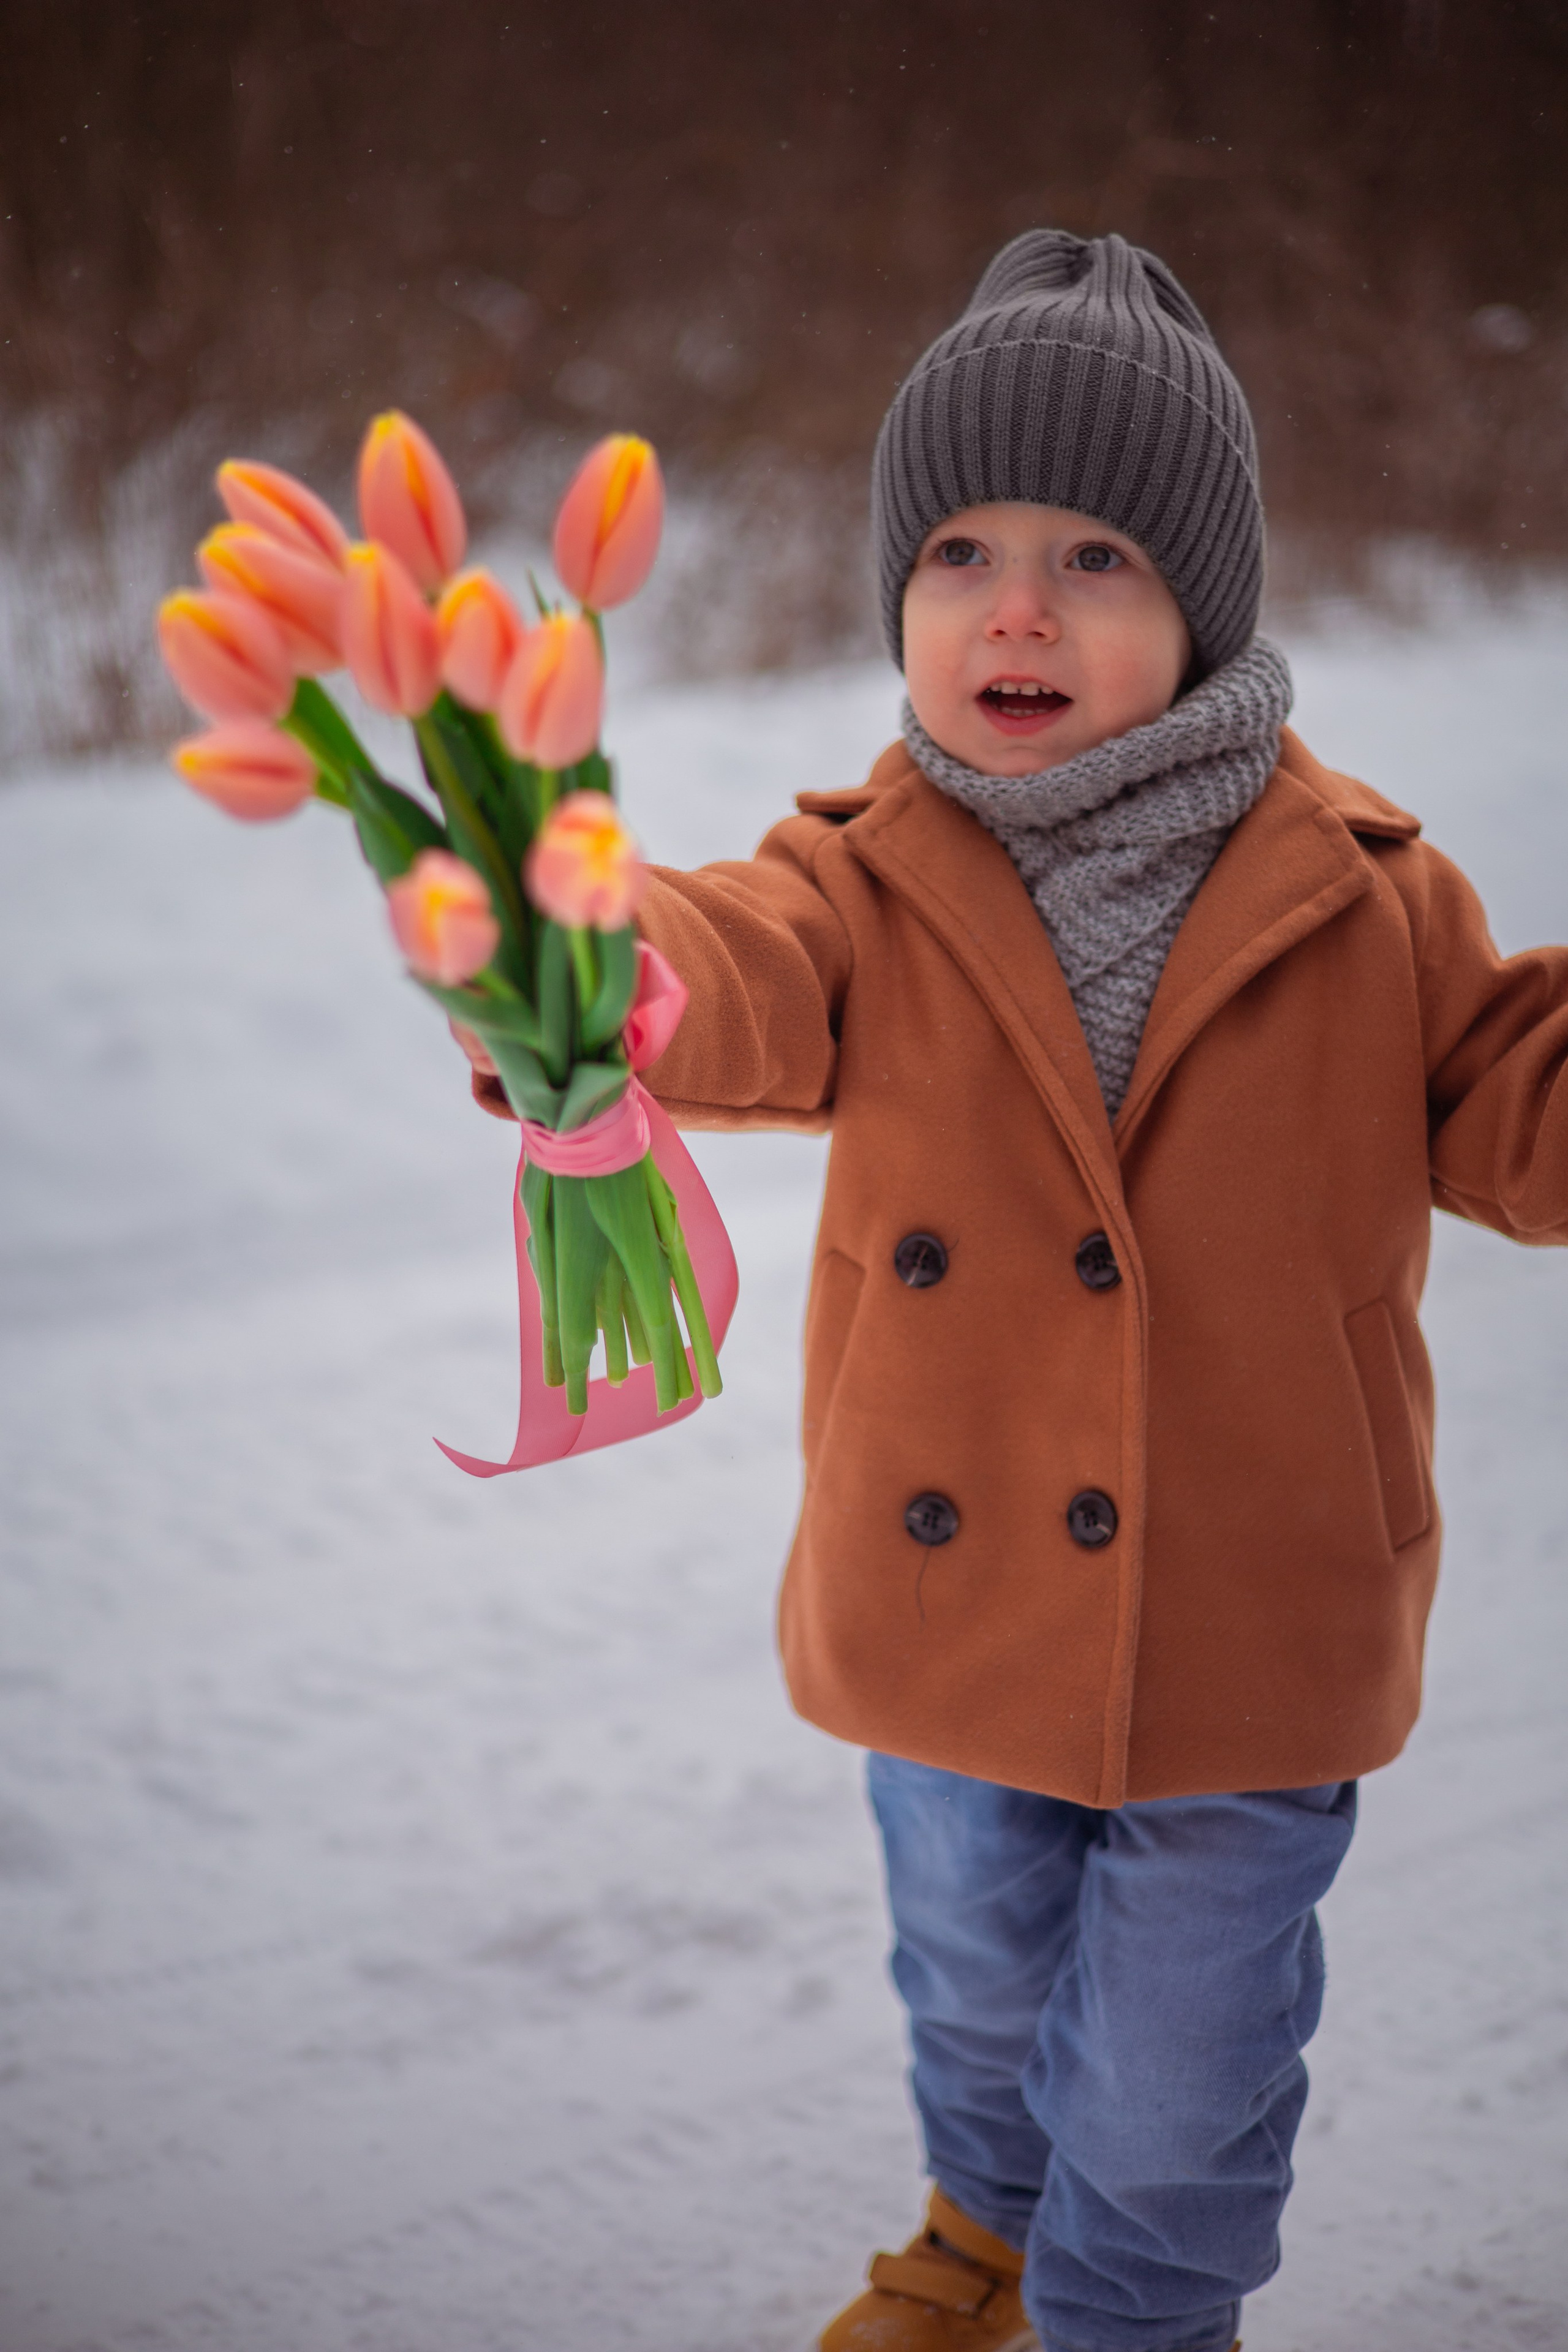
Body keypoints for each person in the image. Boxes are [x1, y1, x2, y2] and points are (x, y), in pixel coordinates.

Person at [464, 230, 1568, 2352]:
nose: (1019, 608)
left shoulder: (1365, 896)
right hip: (949, 1594)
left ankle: (1132, 2314)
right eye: (960, 551)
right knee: (977, 1983)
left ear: (1205, 607)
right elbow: (738, 969)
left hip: (1256, 1609)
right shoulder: (862, 879)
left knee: (1175, 2075)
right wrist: (594, 975)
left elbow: (1522, 1094)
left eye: (1097, 558)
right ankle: (988, 2225)